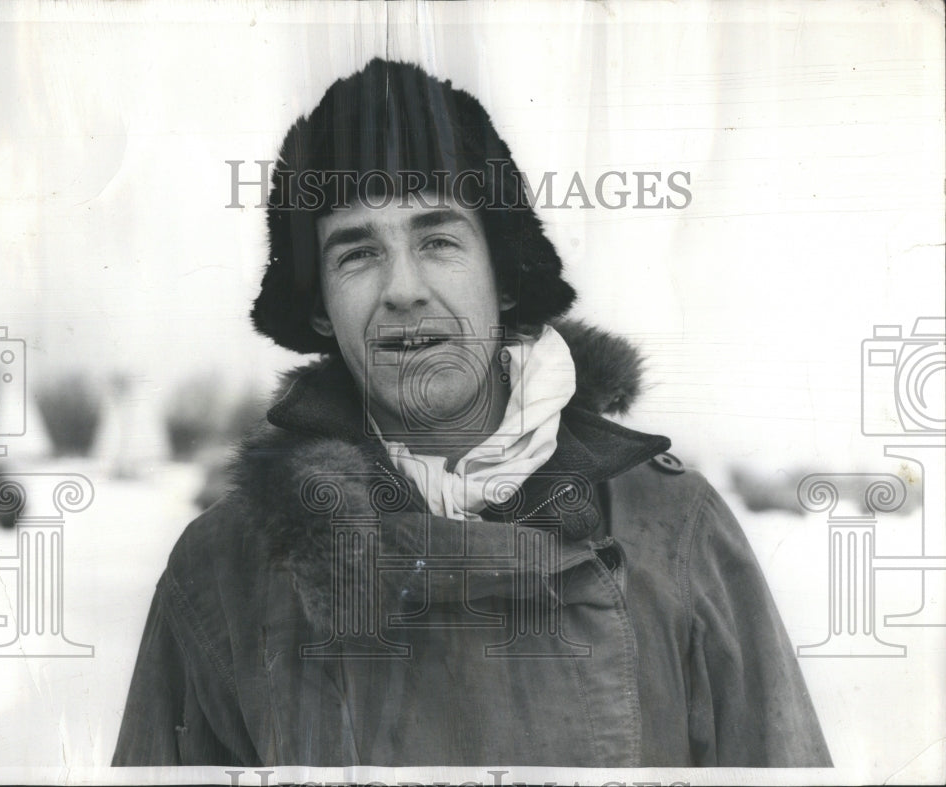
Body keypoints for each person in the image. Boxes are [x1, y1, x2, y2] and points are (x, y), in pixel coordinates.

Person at [113, 58, 831, 767]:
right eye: (357, 252)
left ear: (506, 279)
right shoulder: (222, 568)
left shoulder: (675, 528)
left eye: (438, 240)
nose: (403, 289)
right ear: (321, 310)